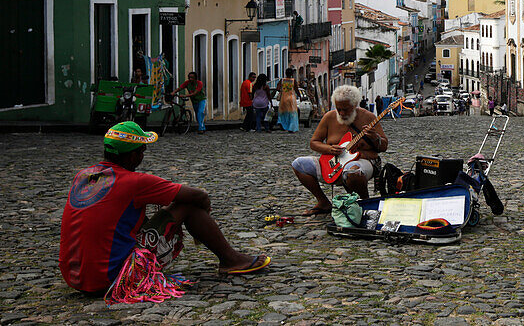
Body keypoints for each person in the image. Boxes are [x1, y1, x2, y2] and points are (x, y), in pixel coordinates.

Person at [59, 122, 270, 295]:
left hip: (75, 278)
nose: (143, 156)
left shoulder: (83, 176)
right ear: (133, 156)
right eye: (142, 150)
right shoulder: (134, 181)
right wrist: (203, 214)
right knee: (188, 206)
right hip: (113, 279)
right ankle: (230, 259)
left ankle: (229, 258)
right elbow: (198, 196)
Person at [291, 85, 388, 216]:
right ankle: (323, 202)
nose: (341, 113)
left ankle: (364, 204)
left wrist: (375, 137)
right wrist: (330, 149)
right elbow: (314, 142)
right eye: (338, 109)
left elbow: (383, 147)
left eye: (345, 109)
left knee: (352, 171)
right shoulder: (329, 117)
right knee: (299, 164)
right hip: (333, 162)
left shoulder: (368, 117)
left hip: (363, 161)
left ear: (354, 105)